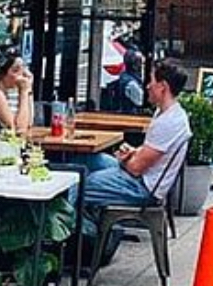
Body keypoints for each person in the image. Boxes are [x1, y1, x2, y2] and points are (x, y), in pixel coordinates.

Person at [81, 60, 191, 255]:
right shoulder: (168, 113)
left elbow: (134, 169)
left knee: (78, 184)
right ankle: (95, 226)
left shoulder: (168, 122)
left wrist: (127, 159)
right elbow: (150, 152)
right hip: (141, 177)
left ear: (163, 87)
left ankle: (87, 245)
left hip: (141, 187)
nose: (147, 86)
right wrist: (133, 151)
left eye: (151, 81)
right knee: (91, 160)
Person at [0, 49, 35, 136]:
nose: (22, 75)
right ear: (1, 74)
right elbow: (18, 128)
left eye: (23, 70)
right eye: (16, 70)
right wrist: (24, 92)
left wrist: (29, 90)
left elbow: (29, 122)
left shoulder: (13, 93)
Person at [115, 47, 145, 113]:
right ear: (134, 65)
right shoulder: (130, 83)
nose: (141, 66)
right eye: (140, 63)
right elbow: (141, 101)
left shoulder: (130, 77)